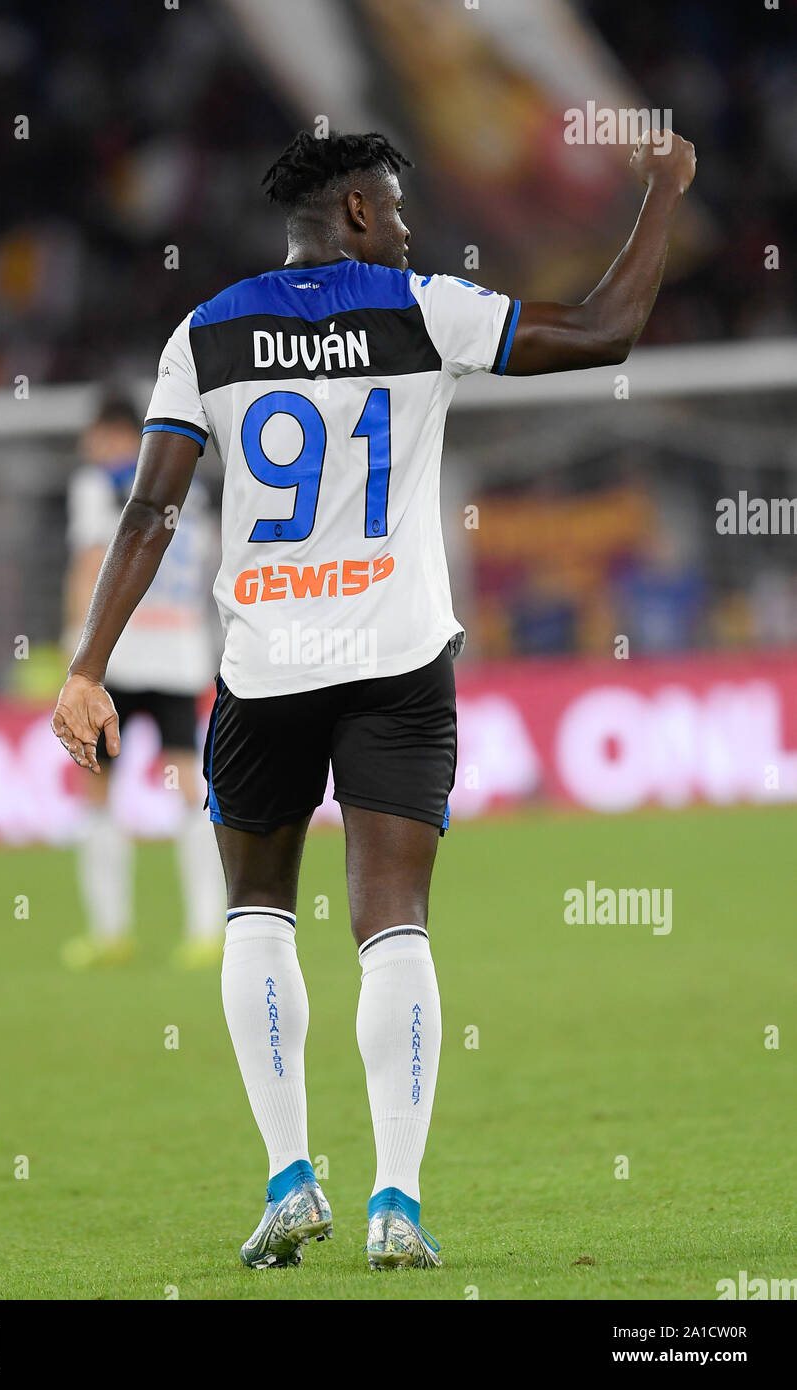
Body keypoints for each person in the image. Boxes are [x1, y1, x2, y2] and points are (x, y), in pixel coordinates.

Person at [52, 127, 696, 1269]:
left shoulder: (203, 333)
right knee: (391, 918)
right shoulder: (423, 307)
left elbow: (148, 511)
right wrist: (665, 192)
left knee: (256, 910)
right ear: (354, 210)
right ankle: (397, 1199)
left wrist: (87, 666)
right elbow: (605, 329)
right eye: (394, 206)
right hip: (397, 666)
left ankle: (290, 1178)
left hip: (264, 672)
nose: (407, 226)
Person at [62, 394, 224, 970]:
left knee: (99, 788)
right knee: (189, 787)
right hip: (180, 655)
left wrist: (76, 661)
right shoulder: (192, 491)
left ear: (115, 434)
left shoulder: (97, 486)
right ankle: (206, 930)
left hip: (116, 664)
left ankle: (111, 934)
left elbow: (88, 567)